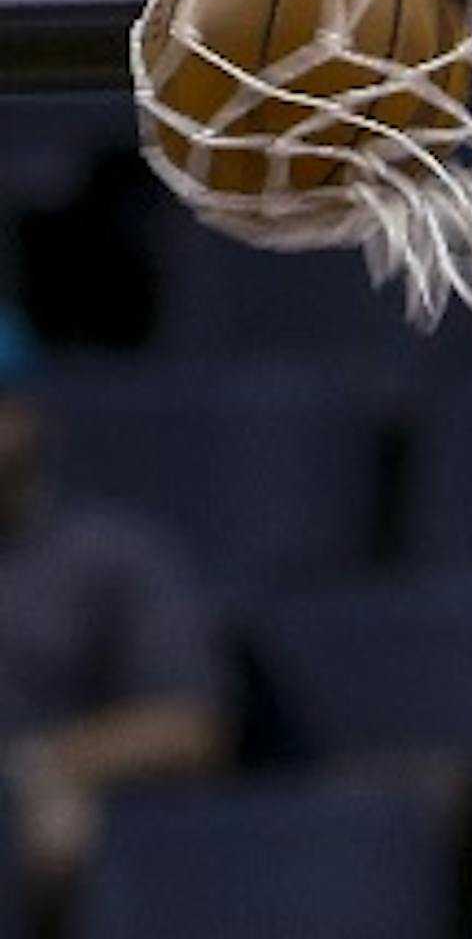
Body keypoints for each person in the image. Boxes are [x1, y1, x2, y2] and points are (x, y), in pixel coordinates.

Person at [0, 331, 231, 933]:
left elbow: (190, 726)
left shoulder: (112, 557)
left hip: (60, 839)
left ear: (27, 415)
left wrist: (47, 768)